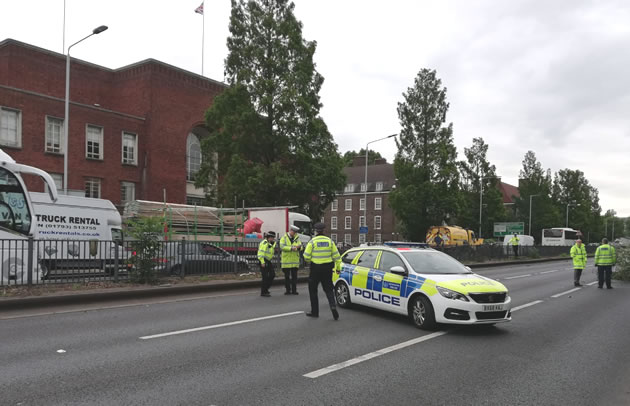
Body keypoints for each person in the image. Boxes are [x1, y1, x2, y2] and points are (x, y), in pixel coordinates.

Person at [303, 222, 342, 320]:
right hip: (328, 268)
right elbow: (337, 257)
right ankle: (333, 306)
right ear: (324, 230)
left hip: (316, 268)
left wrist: (310, 259)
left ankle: (315, 312)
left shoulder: (312, 242)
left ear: (316, 231)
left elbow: (306, 257)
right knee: (329, 289)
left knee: (313, 290)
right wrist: (338, 269)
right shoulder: (330, 241)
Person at [280, 225, 302, 295]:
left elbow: (301, 247)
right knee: (287, 277)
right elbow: (282, 247)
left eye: (296, 232)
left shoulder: (297, 238)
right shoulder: (284, 238)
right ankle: (288, 290)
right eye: (294, 232)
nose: (295, 234)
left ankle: (294, 290)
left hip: (295, 262)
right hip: (286, 261)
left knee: (294, 277)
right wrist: (291, 248)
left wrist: (298, 248)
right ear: (291, 231)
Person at [257, 231, 276, 297]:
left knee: (272, 275)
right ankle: (263, 292)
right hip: (263, 261)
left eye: (273, 237)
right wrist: (262, 262)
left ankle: (266, 289)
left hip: (268, 261)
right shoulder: (264, 243)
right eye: (271, 237)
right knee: (265, 277)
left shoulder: (271, 243)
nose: (272, 239)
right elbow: (260, 253)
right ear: (268, 237)